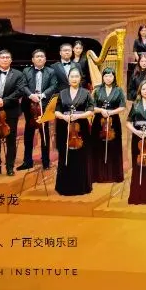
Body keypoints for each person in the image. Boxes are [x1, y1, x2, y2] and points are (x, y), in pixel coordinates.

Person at [0, 49, 27, 177]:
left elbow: (20, 91)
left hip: (10, 111)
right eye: (2, 57)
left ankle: (10, 167)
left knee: (10, 140)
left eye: (7, 57)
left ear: (11, 60)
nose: (5, 59)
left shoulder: (18, 74)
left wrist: (4, 101)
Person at [55, 68, 93, 196]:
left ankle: (81, 187)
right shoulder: (62, 93)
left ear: (80, 78)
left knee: (81, 156)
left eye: (77, 76)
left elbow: (91, 110)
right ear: (68, 78)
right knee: (65, 155)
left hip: (81, 127)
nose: (74, 79)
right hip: (64, 127)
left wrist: (79, 116)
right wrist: (63, 117)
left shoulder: (86, 93)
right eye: (72, 76)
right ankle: (65, 187)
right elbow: (57, 111)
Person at [20, 49, 58, 172]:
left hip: (44, 105)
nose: (40, 58)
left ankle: (46, 161)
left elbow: (54, 86)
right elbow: (23, 85)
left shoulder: (51, 71)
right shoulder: (26, 71)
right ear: (33, 59)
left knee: (44, 134)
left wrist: (43, 95)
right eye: (37, 56)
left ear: (45, 59)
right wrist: (31, 95)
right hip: (29, 105)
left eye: (42, 56)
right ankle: (27, 161)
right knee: (29, 134)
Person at [90, 67, 125, 184]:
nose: (108, 78)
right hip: (99, 121)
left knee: (114, 146)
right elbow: (91, 107)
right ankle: (97, 175)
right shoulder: (97, 90)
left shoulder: (119, 90)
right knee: (98, 147)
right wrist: (101, 110)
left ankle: (114, 175)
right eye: (106, 76)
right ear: (103, 77)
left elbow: (122, 107)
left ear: (114, 77)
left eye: (110, 76)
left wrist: (111, 112)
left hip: (113, 121)